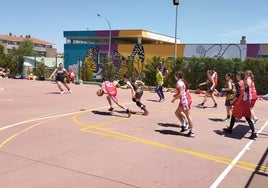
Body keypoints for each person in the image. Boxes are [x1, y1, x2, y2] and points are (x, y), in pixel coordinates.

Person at [223, 71, 257, 140]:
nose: (236, 76)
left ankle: (230, 129)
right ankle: (253, 132)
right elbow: (245, 92)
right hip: (246, 103)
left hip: (240, 103)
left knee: (233, 115)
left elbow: (238, 94)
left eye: (237, 75)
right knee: (247, 117)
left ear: (239, 76)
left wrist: (232, 100)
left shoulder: (239, 83)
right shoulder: (245, 83)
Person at [171, 71, 194, 137]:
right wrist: (176, 94)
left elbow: (181, 94)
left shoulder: (179, 82)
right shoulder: (181, 81)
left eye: (175, 76)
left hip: (185, 100)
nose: (174, 77)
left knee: (188, 115)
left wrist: (174, 99)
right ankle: (184, 123)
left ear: (177, 76)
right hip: (184, 100)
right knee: (177, 113)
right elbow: (182, 92)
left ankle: (192, 131)